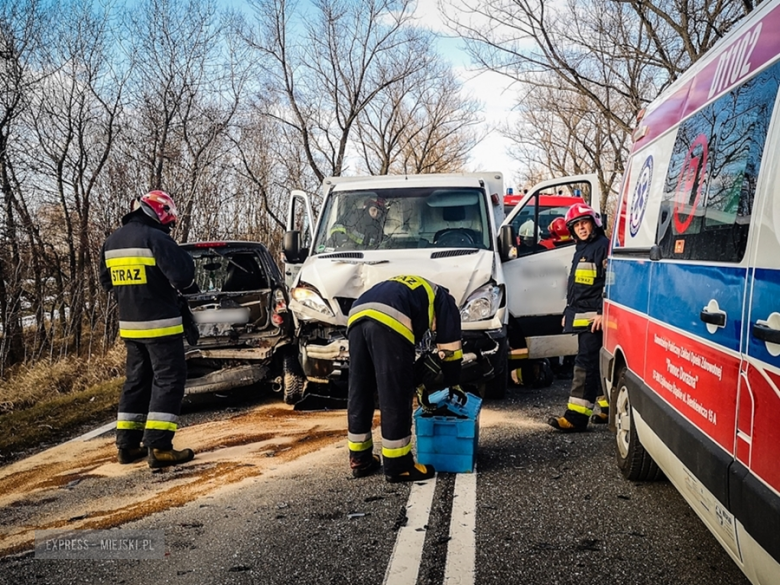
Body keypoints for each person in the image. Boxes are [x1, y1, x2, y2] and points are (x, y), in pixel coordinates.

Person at [99, 190, 200, 468]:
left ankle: (127, 446)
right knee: (169, 380)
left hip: (131, 328)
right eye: (169, 220)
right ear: (161, 213)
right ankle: (159, 447)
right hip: (161, 325)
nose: (169, 225)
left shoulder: (112, 241)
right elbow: (183, 277)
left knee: (137, 381)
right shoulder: (156, 238)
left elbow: (107, 283)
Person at [346, 275, 462, 482]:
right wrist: (453, 381)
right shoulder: (445, 299)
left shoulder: (414, 287)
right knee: (395, 392)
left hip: (357, 315)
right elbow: (451, 347)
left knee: (360, 389)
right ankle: (398, 465)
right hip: (391, 318)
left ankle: (360, 458)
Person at [548, 203, 610, 432]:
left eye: (585, 223)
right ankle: (607, 409)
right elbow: (577, 288)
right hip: (583, 317)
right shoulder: (581, 250)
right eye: (576, 226)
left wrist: (604, 312)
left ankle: (575, 417)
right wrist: (568, 312)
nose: (581, 228)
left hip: (596, 320)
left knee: (585, 364)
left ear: (594, 224)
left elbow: (611, 283)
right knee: (596, 364)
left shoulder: (603, 247)